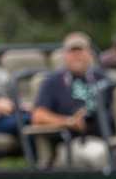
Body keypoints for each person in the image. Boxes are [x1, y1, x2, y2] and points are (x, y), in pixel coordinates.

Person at [30, 31, 110, 169]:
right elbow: (37, 116)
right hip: (72, 142)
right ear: (64, 55)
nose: (77, 55)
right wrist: (70, 122)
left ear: (89, 54)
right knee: (101, 153)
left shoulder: (102, 78)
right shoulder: (52, 82)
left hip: (106, 136)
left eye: (81, 51)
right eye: (72, 51)